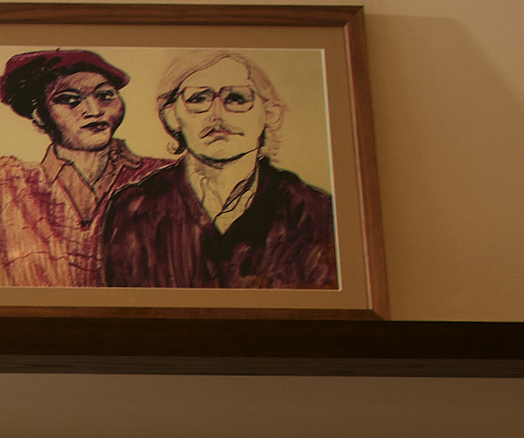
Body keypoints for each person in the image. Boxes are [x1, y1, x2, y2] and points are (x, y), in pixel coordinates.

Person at [94, 49, 341, 289]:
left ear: (270, 114)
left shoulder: (315, 211)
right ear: (172, 116)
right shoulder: (134, 209)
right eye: (198, 99)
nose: (217, 115)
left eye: (236, 99)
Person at [0, 46, 165, 289]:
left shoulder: (161, 176)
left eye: (105, 96)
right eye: (69, 100)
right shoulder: (6, 186)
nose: (95, 111)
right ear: (39, 115)